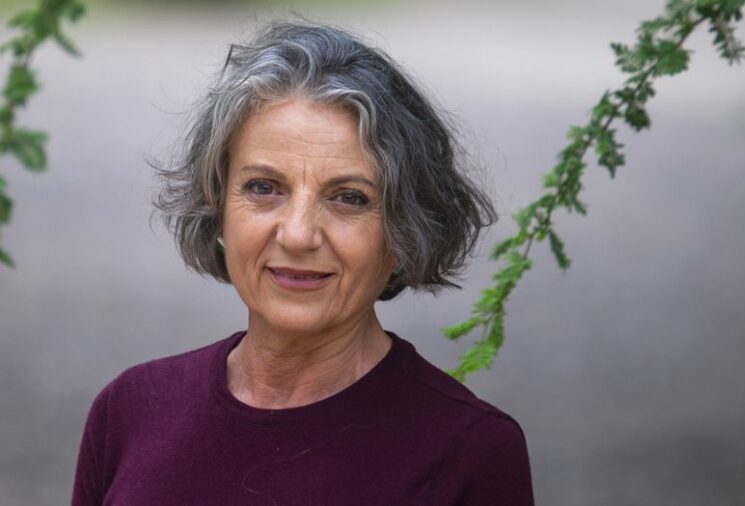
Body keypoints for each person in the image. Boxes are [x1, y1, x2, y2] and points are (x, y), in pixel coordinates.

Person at [71, 21, 534, 505]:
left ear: (406, 228)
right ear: (216, 203)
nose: (297, 234)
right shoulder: (131, 411)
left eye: (349, 197)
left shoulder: (470, 452)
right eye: (264, 188)